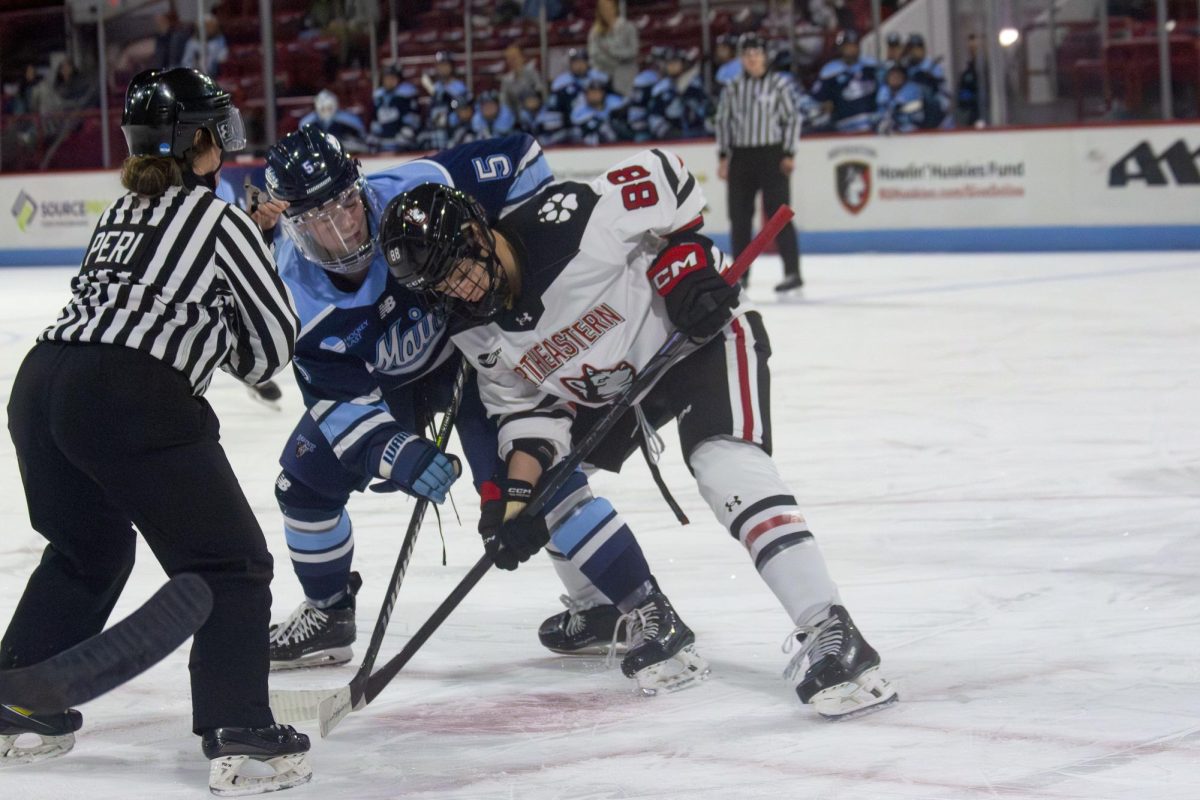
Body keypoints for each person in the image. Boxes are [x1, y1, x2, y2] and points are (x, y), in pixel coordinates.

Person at [380, 152, 899, 718]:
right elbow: (528, 414)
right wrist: (518, 503)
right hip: (620, 390)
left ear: (478, 233)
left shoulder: (567, 219)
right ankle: (605, 607)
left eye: (458, 268)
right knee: (547, 491)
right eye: (442, 286)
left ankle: (832, 629)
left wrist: (685, 259)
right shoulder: (475, 329)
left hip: (697, 342)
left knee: (724, 466)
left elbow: (668, 173)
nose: (459, 290)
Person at [0, 68, 310, 796]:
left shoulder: (121, 212)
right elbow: (269, 349)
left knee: (88, 547)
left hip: (41, 385)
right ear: (200, 140)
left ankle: (15, 700)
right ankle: (240, 732)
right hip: (129, 396)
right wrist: (250, 264)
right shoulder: (223, 221)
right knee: (230, 564)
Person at [260, 128, 571, 669]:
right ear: (292, 224)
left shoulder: (419, 186)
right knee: (302, 483)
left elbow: (521, 157)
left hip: (470, 352)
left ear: (361, 186)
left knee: (528, 470)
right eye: (317, 221)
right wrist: (397, 452)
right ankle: (329, 613)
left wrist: (514, 275)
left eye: (346, 207)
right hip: (389, 385)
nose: (341, 229)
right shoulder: (291, 292)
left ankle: (615, 598)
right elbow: (338, 401)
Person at [715, 33, 803, 294]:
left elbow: (793, 119)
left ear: (765, 56)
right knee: (739, 217)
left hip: (772, 155)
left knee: (779, 215)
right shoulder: (732, 88)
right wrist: (723, 157)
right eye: (747, 55)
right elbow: (723, 122)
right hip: (741, 156)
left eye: (756, 54)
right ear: (741, 59)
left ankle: (792, 272)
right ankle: (741, 274)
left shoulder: (779, 85)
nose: (752, 59)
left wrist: (789, 152)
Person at [811, 29, 879, 134]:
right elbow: (819, 99)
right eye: (847, 46)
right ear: (840, 48)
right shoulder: (830, 71)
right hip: (845, 125)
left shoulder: (871, 65)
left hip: (872, 122)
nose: (851, 49)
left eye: (854, 45)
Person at [647, 48, 711, 140]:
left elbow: (704, 110)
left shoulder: (695, 86)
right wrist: (666, 131)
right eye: (669, 63)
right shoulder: (661, 88)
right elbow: (654, 115)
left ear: (683, 64)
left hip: (697, 135)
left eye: (675, 62)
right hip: (669, 138)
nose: (671, 66)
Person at [588, 0, 639, 96]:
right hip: (602, 77)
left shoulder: (628, 28)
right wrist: (617, 60)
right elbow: (594, 55)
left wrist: (611, 51)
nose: (606, 10)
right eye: (603, 7)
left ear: (615, 8)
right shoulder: (595, 31)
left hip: (624, 78)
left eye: (609, 7)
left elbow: (633, 52)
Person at [370, 63, 422, 152]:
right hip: (383, 143)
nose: (389, 81)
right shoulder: (379, 97)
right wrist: (375, 136)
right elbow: (375, 120)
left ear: (398, 79)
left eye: (392, 78)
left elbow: (413, 121)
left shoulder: (406, 95)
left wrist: (404, 135)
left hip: (402, 143)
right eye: (386, 78)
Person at [299, 89, 368, 151]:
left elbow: (362, 140)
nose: (326, 112)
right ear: (316, 107)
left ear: (335, 105)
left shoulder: (350, 121)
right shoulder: (307, 123)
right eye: (323, 109)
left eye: (329, 108)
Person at [569, 76, 622, 145]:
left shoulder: (614, 103)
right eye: (591, 92)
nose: (594, 95)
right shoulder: (580, 111)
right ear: (586, 94)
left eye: (597, 92)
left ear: (603, 93)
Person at [499, 43, 546, 116]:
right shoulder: (506, 80)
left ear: (522, 57)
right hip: (516, 116)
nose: (511, 61)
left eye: (514, 58)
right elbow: (504, 103)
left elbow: (542, 94)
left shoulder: (533, 74)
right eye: (509, 58)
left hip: (536, 112)